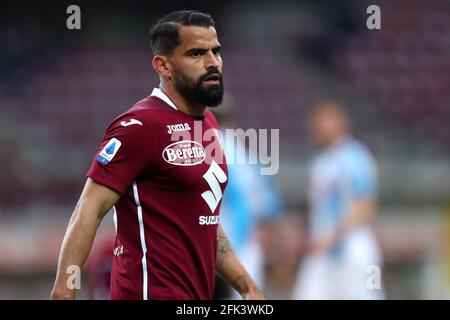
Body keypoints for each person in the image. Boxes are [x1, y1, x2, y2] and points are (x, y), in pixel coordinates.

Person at [50, 10, 264, 300]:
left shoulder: (209, 125)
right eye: (196, 54)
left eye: (216, 51)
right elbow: (88, 210)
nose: (212, 62)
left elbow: (204, 219)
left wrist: (247, 286)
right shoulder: (138, 126)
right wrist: (64, 290)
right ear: (163, 65)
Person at [293, 101, 384, 299]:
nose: (315, 126)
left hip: (351, 246)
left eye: (321, 120)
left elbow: (365, 205)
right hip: (322, 249)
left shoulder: (355, 157)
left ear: (338, 122)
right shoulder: (321, 162)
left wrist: (336, 236)